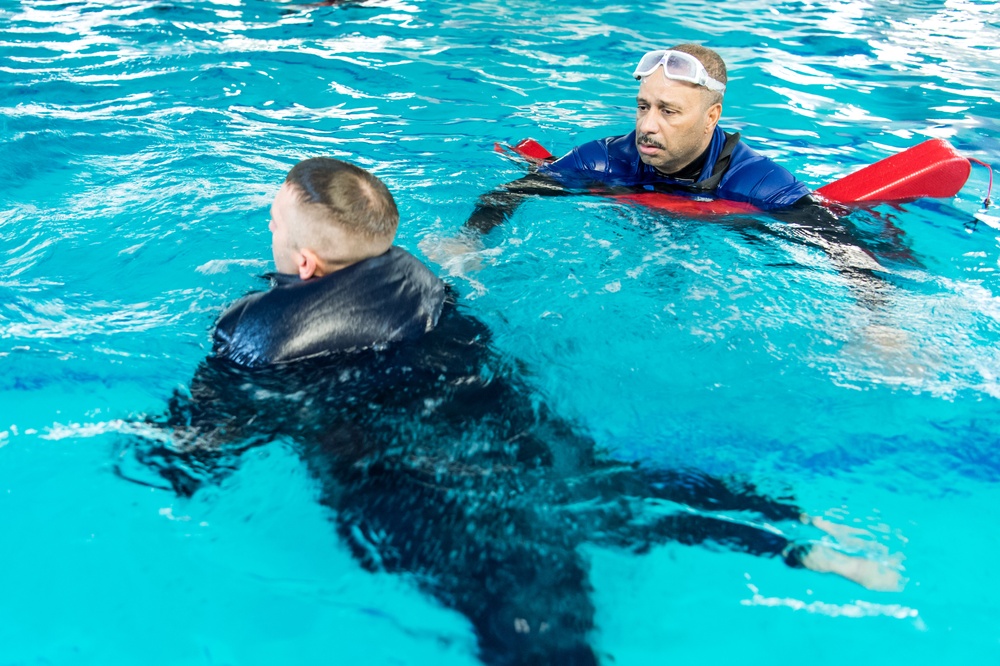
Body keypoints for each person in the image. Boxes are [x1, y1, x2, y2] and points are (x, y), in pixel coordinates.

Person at [119, 157, 903, 666]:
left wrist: (144, 452)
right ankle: (798, 537)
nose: (270, 234)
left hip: (418, 482)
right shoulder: (418, 280)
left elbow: (198, 449)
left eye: (274, 226)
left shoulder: (257, 332)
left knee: (531, 627)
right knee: (616, 490)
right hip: (514, 427)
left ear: (308, 261)